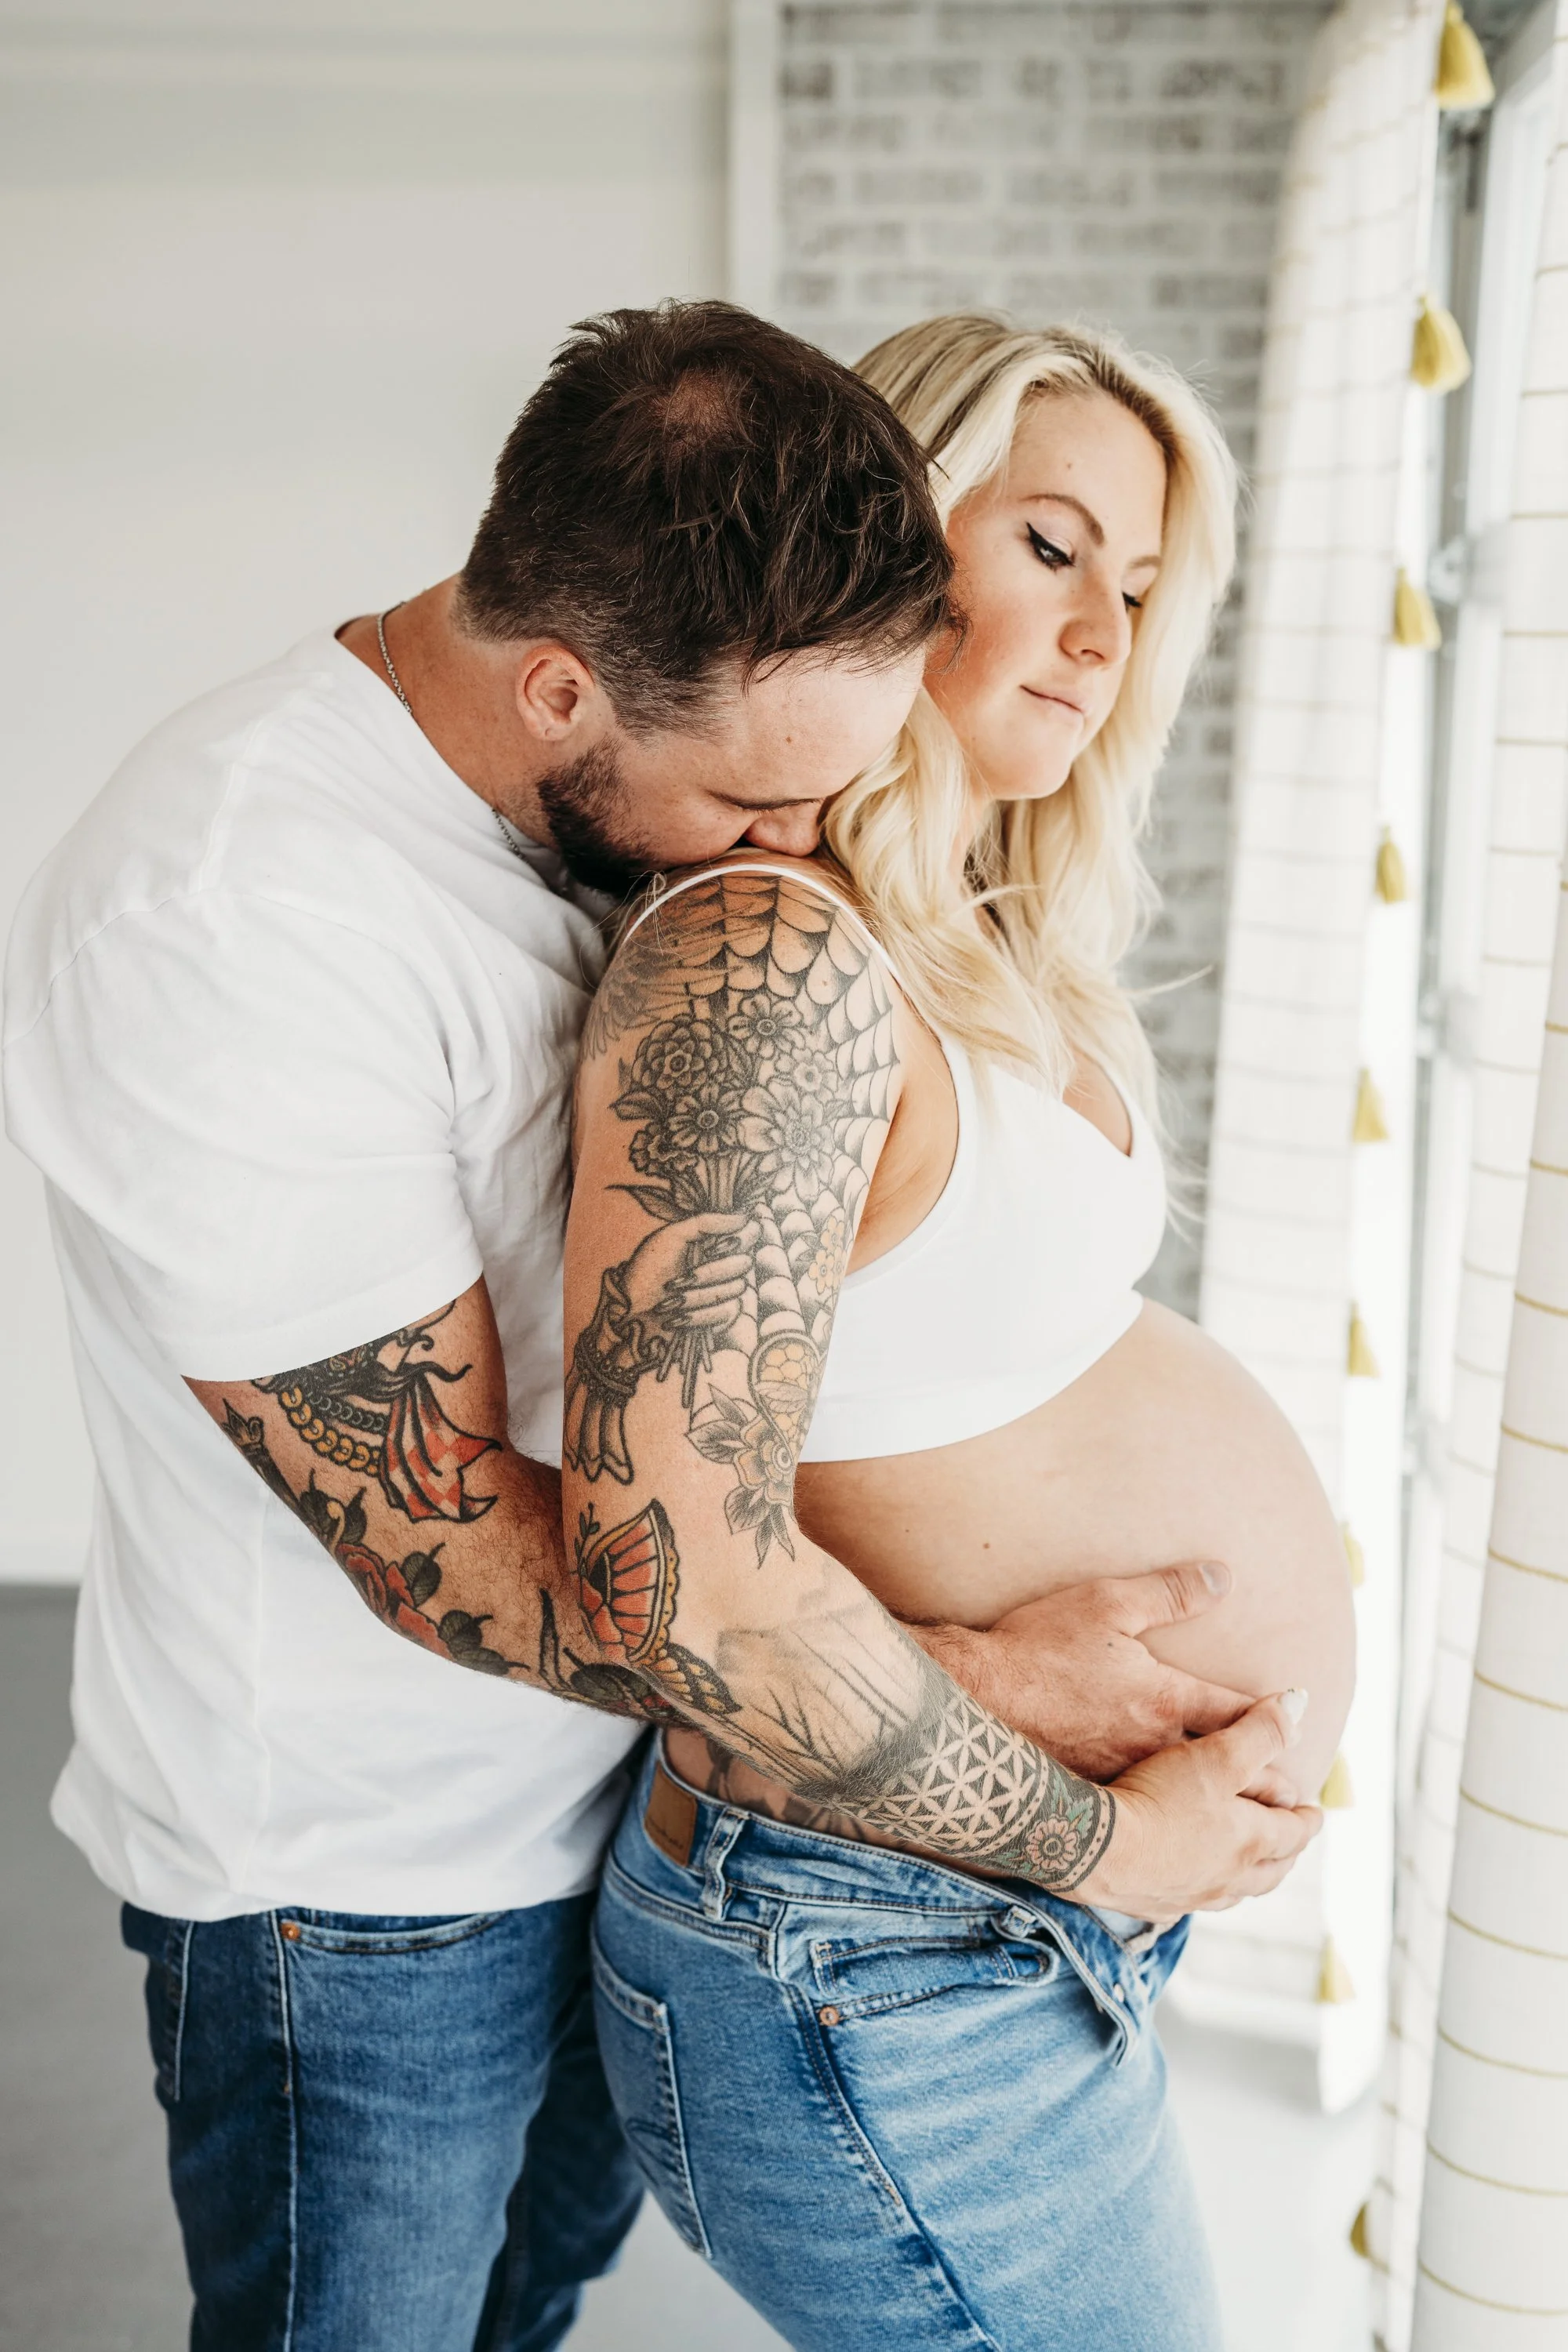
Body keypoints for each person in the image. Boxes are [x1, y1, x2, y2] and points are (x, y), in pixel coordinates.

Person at [2, 303, 1293, 2352]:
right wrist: (1039, 1759)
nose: (787, 861)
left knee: (527, 2318)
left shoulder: (632, 764)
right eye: (758, 808)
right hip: (365, 1882)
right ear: (562, 687)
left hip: (640, 1794)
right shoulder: (234, 912)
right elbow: (440, 1540)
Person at [569, 318, 1354, 2351]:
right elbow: (671, 1575)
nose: (1101, 635)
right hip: (874, 1939)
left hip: (993, 1898)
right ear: (886, 533)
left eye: (1143, 589)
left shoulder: (987, 947)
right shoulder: (766, 961)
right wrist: (1113, 1839)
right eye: (1053, 545)